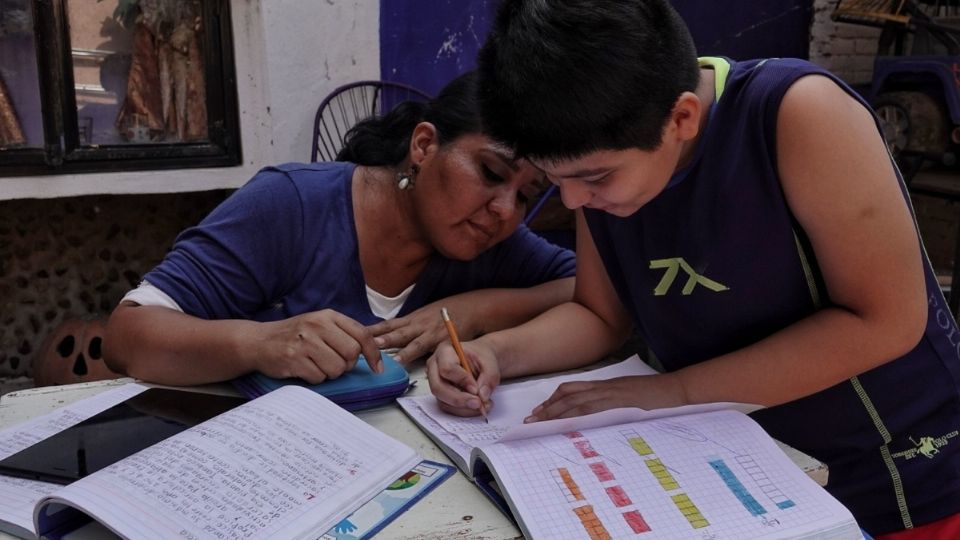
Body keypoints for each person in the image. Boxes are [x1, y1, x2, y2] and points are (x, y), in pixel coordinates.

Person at [425, 1, 960, 537]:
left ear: (683, 117)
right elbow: (597, 314)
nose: (574, 198)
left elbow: (886, 321)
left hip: (895, 467)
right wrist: (495, 351)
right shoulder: (598, 161)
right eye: (554, 178)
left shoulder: (794, 113)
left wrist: (672, 392)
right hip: (739, 466)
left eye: (595, 177)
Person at [103, 71, 575, 387]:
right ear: (425, 146)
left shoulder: (494, 242)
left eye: (527, 195)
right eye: (491, 173)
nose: (505, 210)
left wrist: (475, 310)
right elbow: (126, 337)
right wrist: (260, 343)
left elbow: (587, 293)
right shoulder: (292, 205)